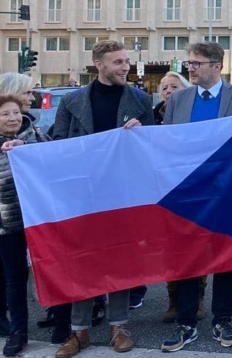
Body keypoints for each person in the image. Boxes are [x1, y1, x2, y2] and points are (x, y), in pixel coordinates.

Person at [159, 43, 232, 352]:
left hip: (227, 193)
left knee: (225, 256)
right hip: (188, 193)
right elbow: (167, 143)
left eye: (196, 63)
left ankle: (223, 319)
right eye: (189, 63)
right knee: (187, 258)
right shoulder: (179, 100)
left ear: (216, 66)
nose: (190, 68)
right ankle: (186, 323)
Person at [53, 41, 155, 357]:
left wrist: (141, 134)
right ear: (99, 64)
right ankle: (79, 332)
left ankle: (119, 327)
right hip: (83, 195)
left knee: (120, 259)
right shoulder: (71, 101)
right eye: (118, 62)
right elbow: (58, 147)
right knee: (82, 261)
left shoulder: (141, 101)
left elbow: (152, 149)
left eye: (127, 61)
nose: (126, 67)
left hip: (122, 195)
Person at [149, 72, 207, 326]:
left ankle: (197, 298)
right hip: (162, 188)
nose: (168, 90)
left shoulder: (191, 113)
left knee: (197, 243)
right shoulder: (151, 116)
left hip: (192, 186)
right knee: (170, 246)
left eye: (174, 86)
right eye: (164, 86)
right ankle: (174, 299)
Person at [0, 95, 39, 356]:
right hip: (7, 224)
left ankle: (61, 322)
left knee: (49, 270)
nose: (13, 117)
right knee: (15, 280)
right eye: (5, 114)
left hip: (39, 220)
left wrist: (25, 148)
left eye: (15, 112)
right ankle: (18, 331)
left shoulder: (38, 137)